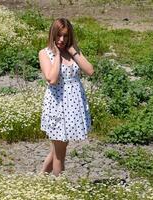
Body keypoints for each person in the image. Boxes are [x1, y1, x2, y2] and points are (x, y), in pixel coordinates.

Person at [38, 18, 94, 177]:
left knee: (59, 147)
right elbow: (52, 79)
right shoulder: (45, 53)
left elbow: (90, 71)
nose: (62, 40)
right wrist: (57, 55)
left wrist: (73, 52)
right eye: (58, 35)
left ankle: (41, 177)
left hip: (74, 106)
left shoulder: (73, 50)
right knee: (59, 153)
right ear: (52, 35)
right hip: (58, 106)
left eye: (66, 36)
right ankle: (59, 186)